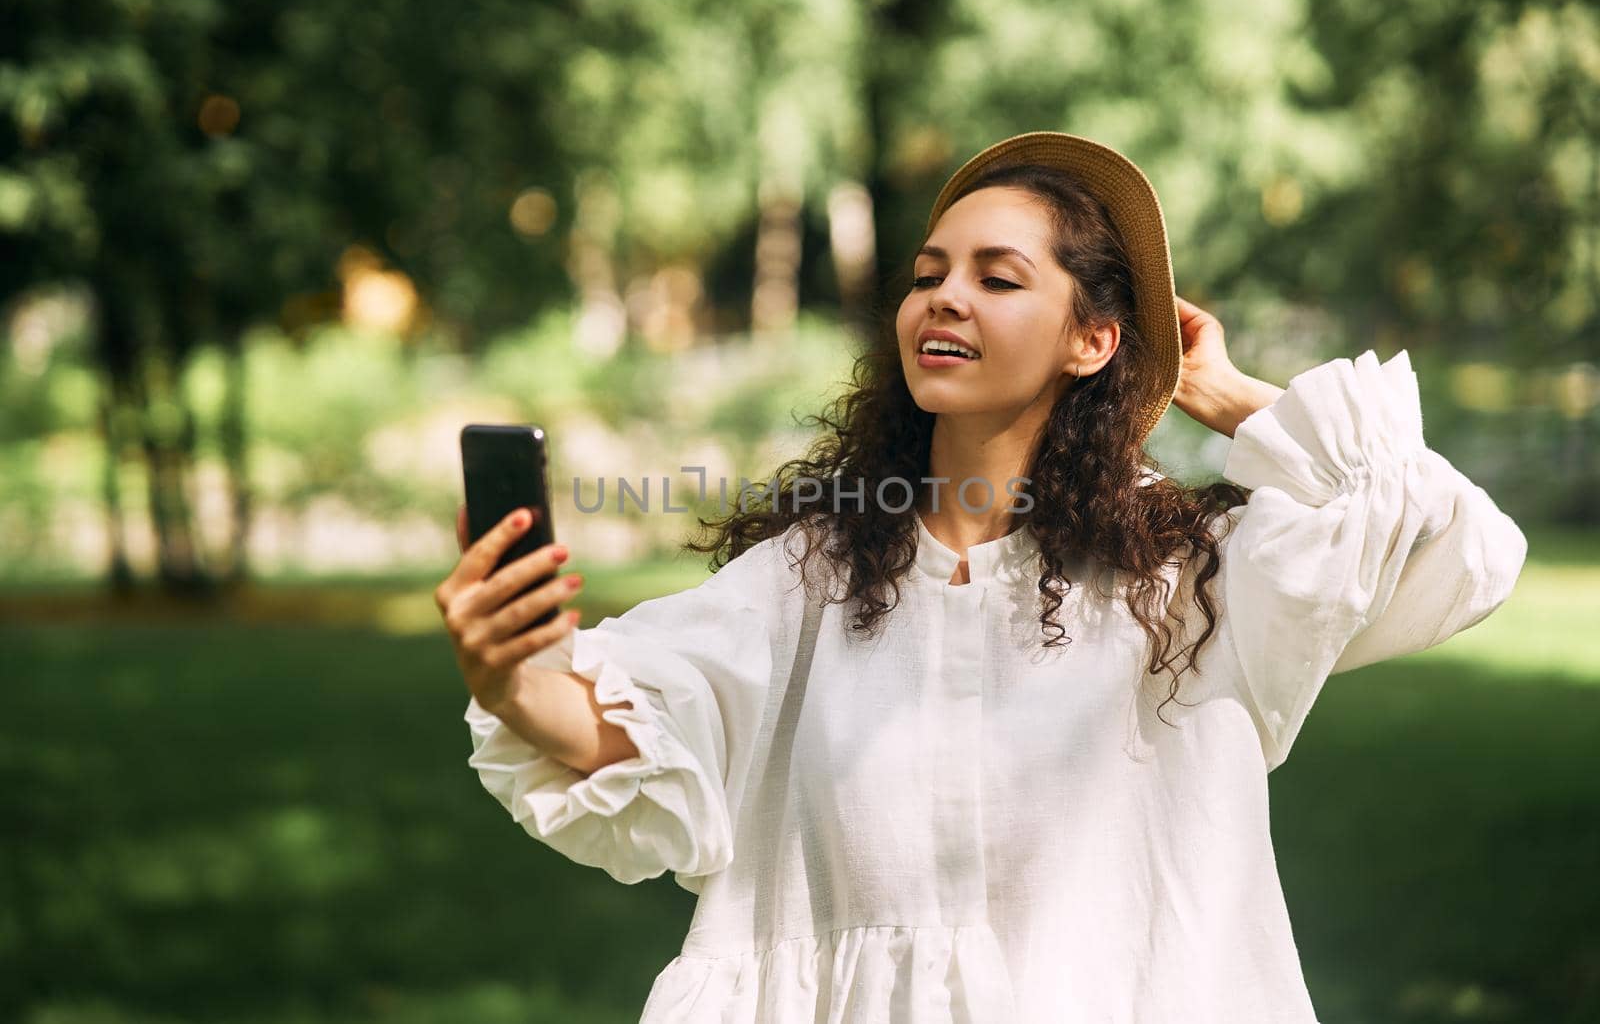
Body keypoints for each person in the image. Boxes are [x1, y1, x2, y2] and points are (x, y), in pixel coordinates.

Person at [433, 132, 1528, 1023]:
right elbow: (644, 730)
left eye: (997, 278)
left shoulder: (1194, 578)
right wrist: (515, 674)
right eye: (926, 277)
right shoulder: (810, 577)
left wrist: (1222, 386)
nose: (941, 300)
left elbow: (1459, 547)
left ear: (1090, 338)